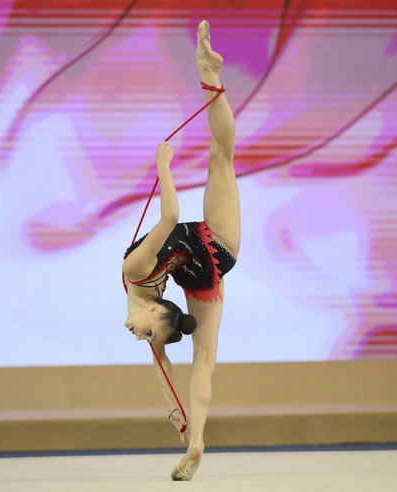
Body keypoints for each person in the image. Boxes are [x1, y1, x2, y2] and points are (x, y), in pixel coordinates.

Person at [121, 20, 240, 481]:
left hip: (203, 269)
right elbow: (170, 217)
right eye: (148, 334)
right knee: (220, 157)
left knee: (205, 359)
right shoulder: (135, 270)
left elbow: (163, 367)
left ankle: (198, 441)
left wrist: (179, 417)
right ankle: (207, 72)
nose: (138, 336)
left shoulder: (141, 295)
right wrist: (163, 166)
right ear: (157, 312)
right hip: (213, 247)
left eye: (143, 336)